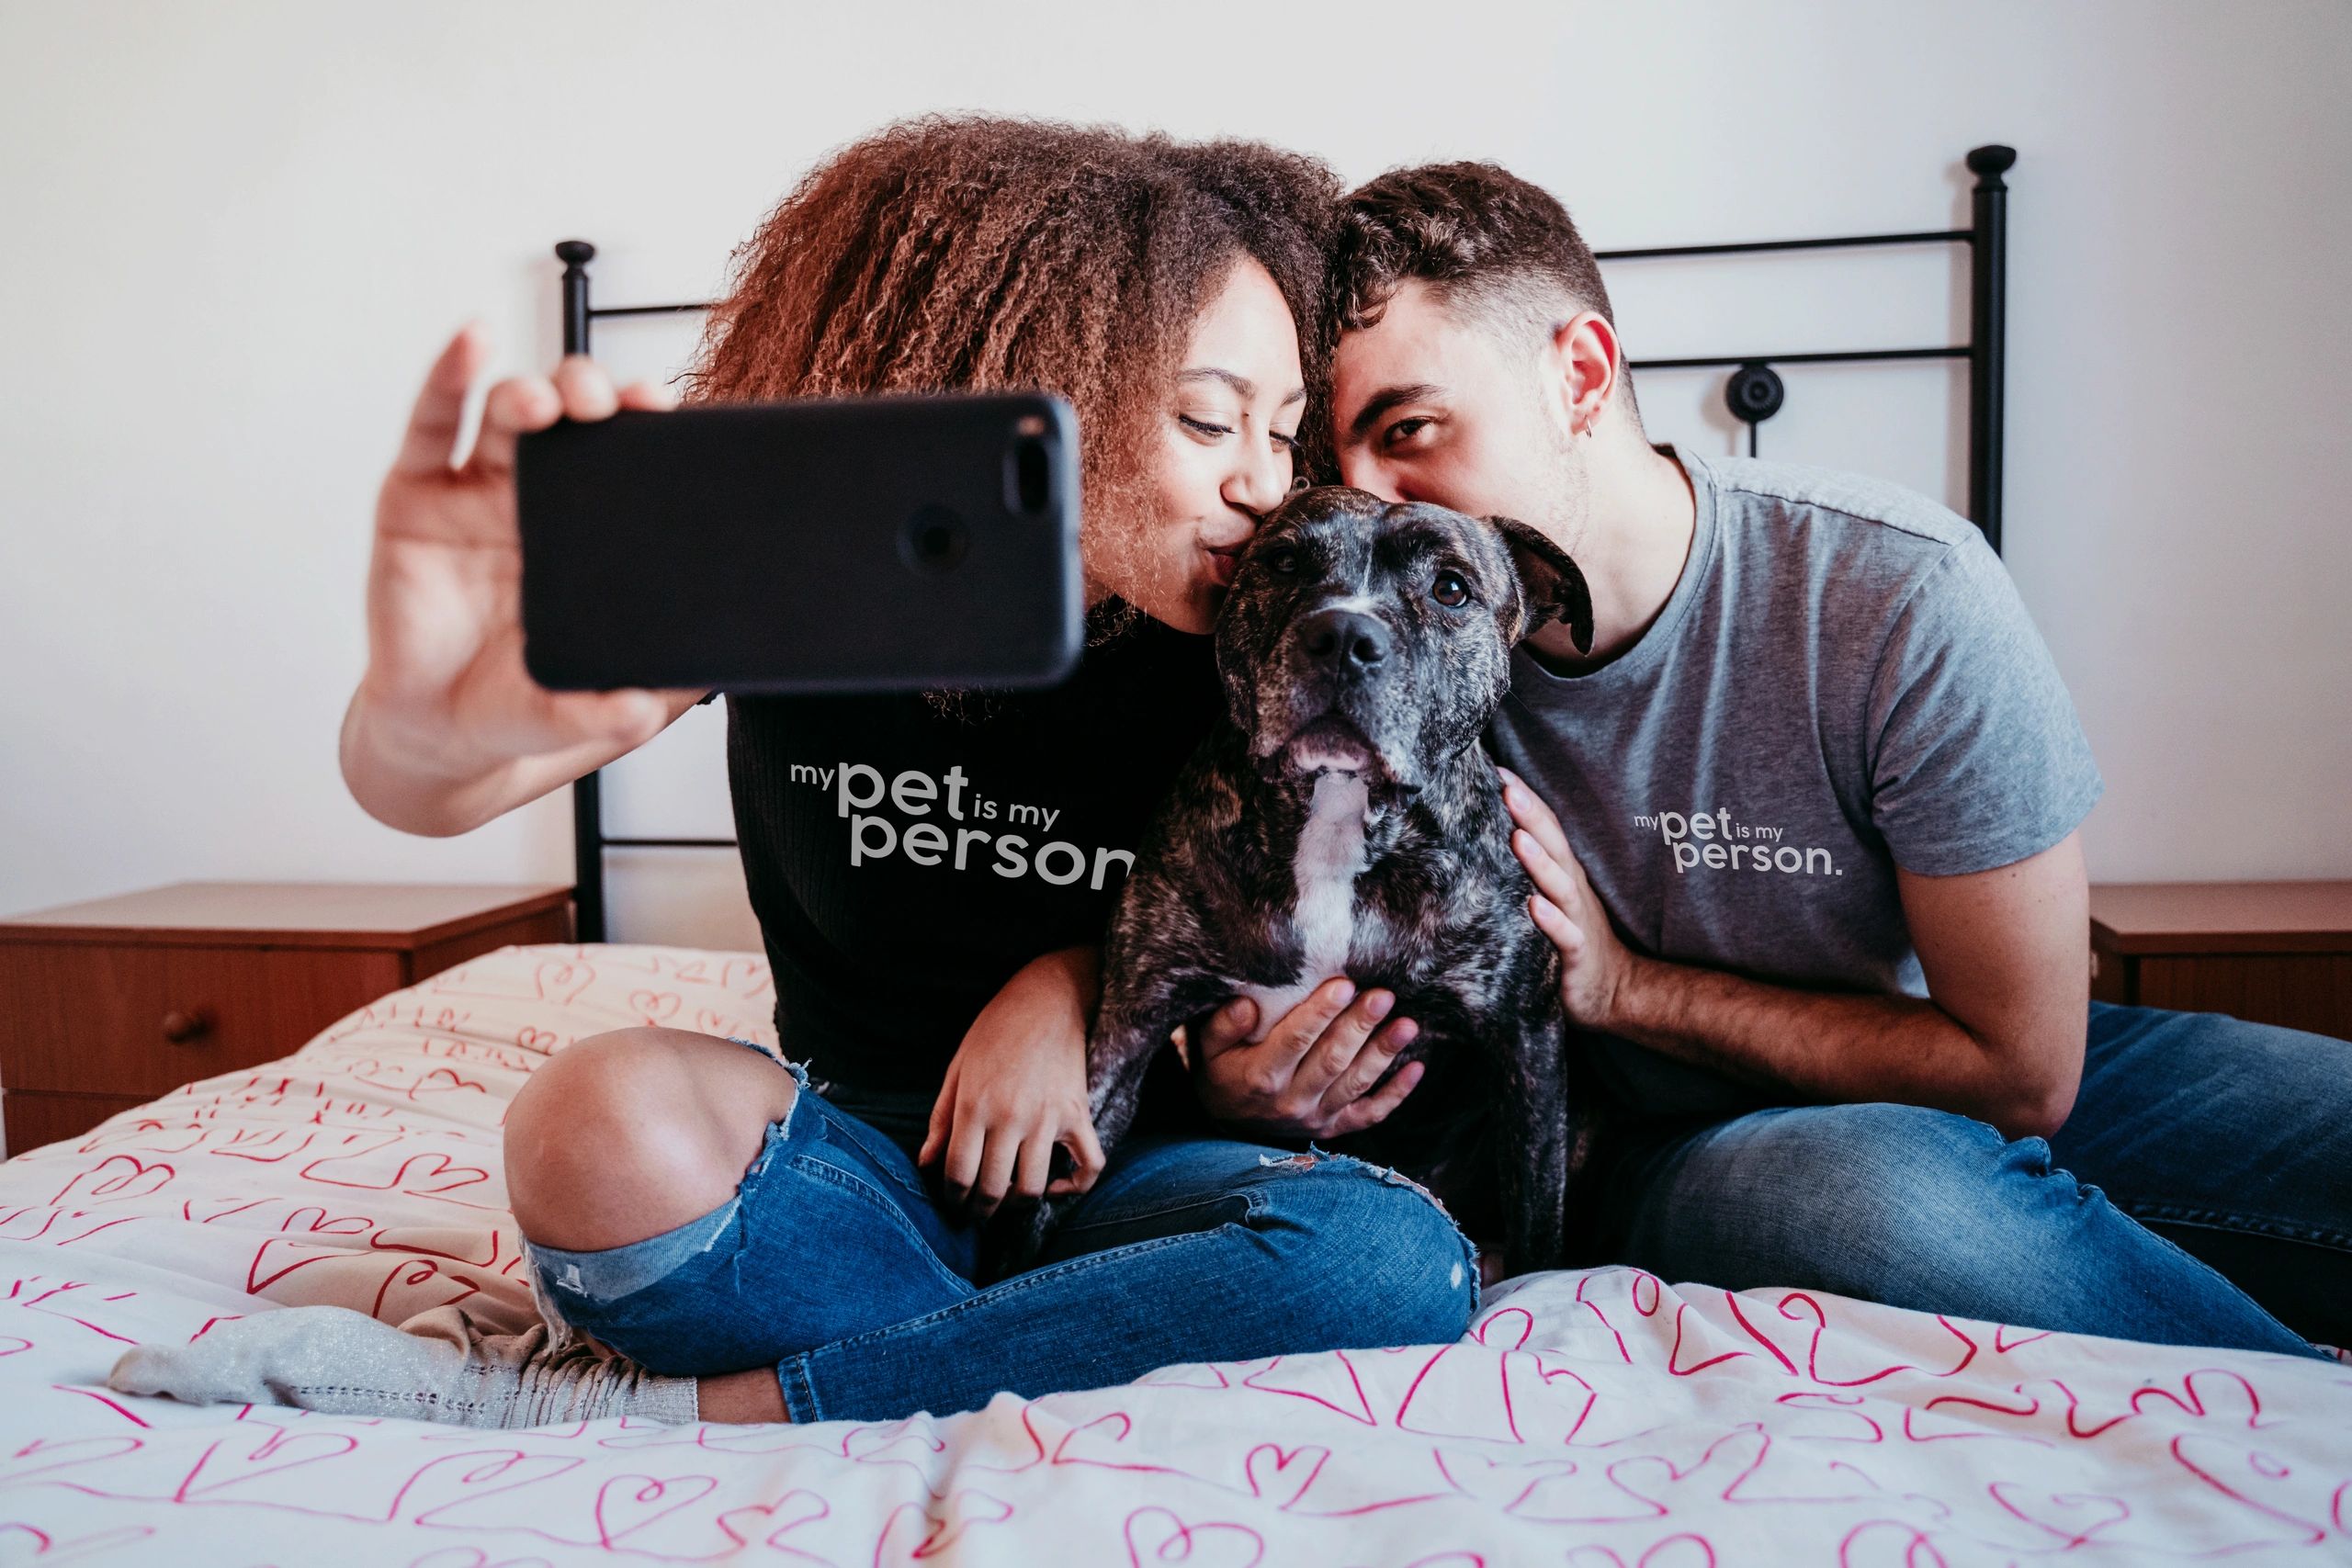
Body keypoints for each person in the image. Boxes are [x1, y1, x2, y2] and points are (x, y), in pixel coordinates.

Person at [108, 118, 1476, 1430]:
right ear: (1030, 379)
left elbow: (1312, 931)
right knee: (590, 1121)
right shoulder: (804, 587)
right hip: (848, 1167)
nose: (1263, 484)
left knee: (1388, 1256)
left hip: (1135, 1173)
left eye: (1283, 429)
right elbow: (422, 794)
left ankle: (641, 1399)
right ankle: (1040, 1334)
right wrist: (429, 720)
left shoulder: (1271, 639)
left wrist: (1076, 987)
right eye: (1206, 420)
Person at [1181, 156, 2351, 1358]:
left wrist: (1630, 987)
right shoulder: (1340, 654)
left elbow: (2019, 1071)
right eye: (1333, 464)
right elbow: (1202, 923)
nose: (1371, 504)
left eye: (1410, 430)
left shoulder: (1896, 593)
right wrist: (1232, 1077)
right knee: (1892, 1203)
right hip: (1656, 1142)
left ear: (1581, 374)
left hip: (1939, 1045)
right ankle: (2302, 1411)